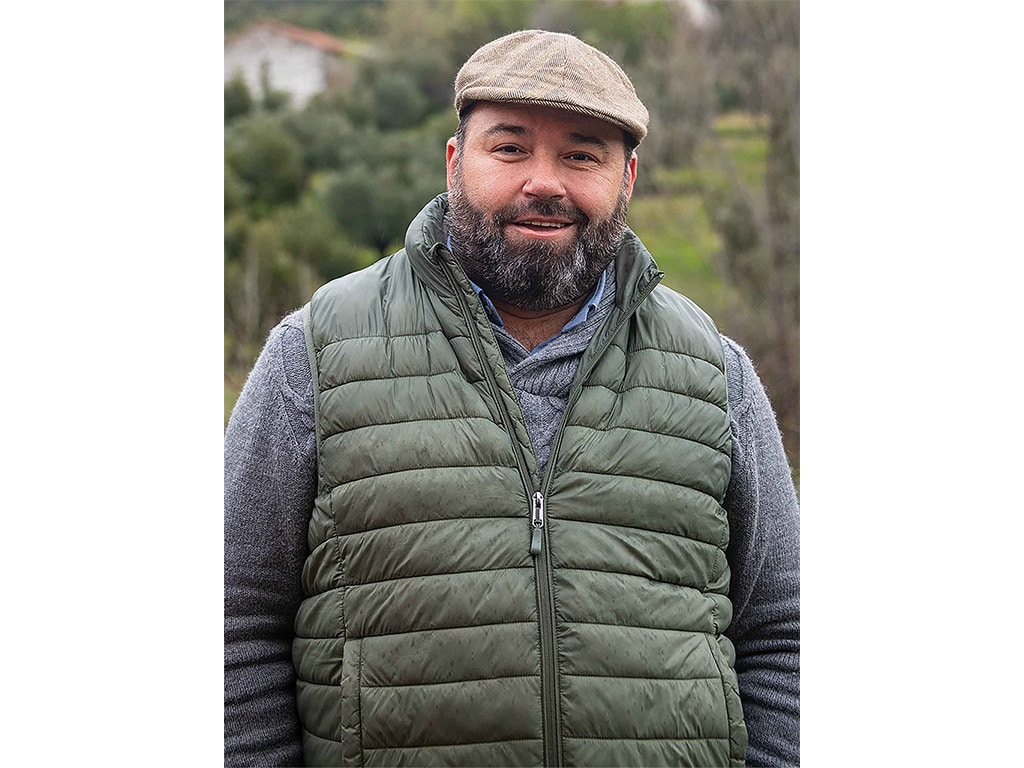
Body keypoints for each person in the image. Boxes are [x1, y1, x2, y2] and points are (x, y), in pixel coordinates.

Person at [225, 29, 799, 768]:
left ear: (627, 180)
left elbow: (783, 632)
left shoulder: (715, 374)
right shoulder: (314, 355)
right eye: (510, 147)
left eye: (582, 155)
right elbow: (232, 621)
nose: (544, 181)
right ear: (456, 163)